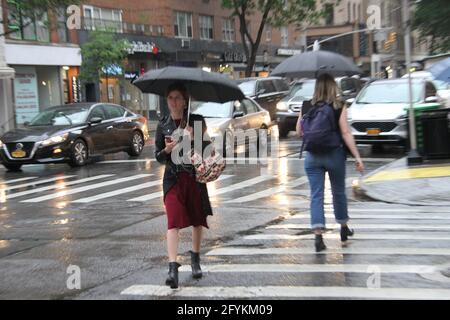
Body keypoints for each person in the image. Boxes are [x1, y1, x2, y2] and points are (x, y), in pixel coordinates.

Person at [296, 73, 364, 252]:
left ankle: (318, 235)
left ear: (316, 87)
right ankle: (343, 228)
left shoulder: (306, 105)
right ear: (333, 86)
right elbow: (346, 133)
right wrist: (357, 156)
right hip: (334, 154)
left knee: (316, 195)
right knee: (338, 192)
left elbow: (299, 132)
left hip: (312, 157)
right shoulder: (338, 105)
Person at [155, 82, 213, 288]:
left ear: (185, 100)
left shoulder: (196, 121)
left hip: (194, 178)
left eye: (177, 97)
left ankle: (195, 259)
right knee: (173, 222)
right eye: (170, 97)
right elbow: (158, 157)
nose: (173, 102)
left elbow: (207, 149)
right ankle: (172, 268)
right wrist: (167, 150)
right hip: (173, 180)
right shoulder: (163, 124)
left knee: (198, 220)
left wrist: (194, 137)